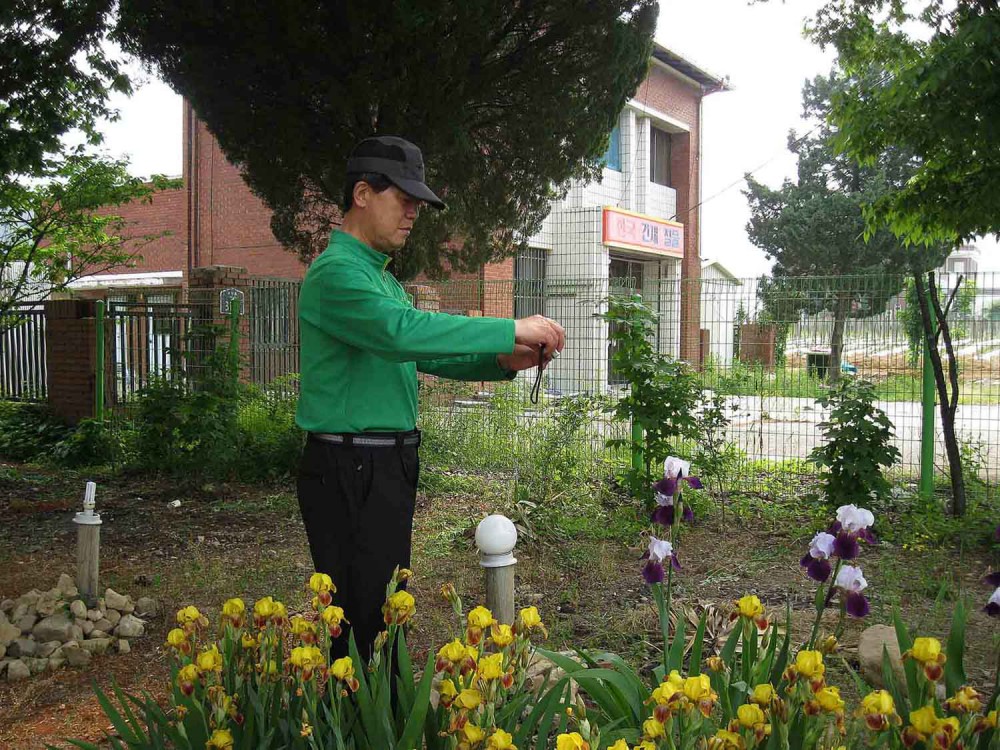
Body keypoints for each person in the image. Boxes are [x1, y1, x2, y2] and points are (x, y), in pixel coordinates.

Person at [295, 135, 565, 661]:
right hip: (350, 466)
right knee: (363, 620)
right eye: (404, 199)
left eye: (418, 203)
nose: (413, 213)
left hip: (381, 464)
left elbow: (419, 351)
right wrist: (508, 328)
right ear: (362, 194)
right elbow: (401, 332)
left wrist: (500, 361)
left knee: (386, 610)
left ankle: (381, 704)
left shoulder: (379, 279)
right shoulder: (337, 274)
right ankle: (362, 709)